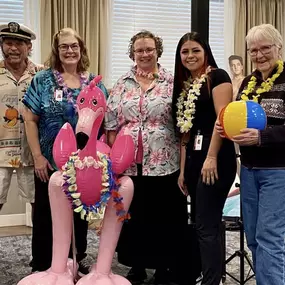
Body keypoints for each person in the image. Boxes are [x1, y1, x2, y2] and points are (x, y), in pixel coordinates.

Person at [22, 27, 108, 275]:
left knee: (80, 213)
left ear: (81, 49)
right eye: (64, 47)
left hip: (84, 163)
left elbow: (104, 122)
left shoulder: (94, 84)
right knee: (47, 214)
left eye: (74, 46)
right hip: (49, 162)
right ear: (56, 51)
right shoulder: (42, 80)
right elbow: (29, 119)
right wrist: (38, 157)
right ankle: (42, 264)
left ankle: (76, 258)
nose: (69, 51)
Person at [105, 30, 187, 284]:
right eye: (139, 50)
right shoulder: (122, 83)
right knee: (134, 216)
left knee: (164, 216)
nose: (144, 54)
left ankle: (164, 265)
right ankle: (137, 264)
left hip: (164, 162)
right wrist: (114, 162)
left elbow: (184, 125)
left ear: (157, 50)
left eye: (149, 49)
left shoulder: (172, 82)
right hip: (129, 165)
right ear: (133, 53)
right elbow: (110, 125)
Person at [216, 24, 285, 285]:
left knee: (270, 237)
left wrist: (262, 137)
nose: (259, 54)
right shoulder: (248, 82)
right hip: (248, 169)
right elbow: (240, 118)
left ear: (278, 47)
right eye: (253, 50)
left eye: (265, 47)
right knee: (254, 236)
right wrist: (225, 127)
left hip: (278, 171)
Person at [172, 32, 236, 285]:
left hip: (216, 154)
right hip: (195, 156)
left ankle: (211, 281)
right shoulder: (187, 83)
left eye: (195, 50)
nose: (190, 56)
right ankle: (210, 274)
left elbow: (224, 120)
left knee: (206, 224)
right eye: (185, 52)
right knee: (202, 222)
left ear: (206, 52)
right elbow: (185, 134)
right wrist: (182, 170)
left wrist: (211, 158)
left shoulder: (218, 77)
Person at [0, 22, 43, 215]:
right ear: (1, 45)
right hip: (0, 152)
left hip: (33, 152)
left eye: (19, 43)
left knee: (39, 206)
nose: (14, 48)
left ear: (29, 47)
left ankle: (41, 245)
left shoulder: (42, 75)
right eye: (8, 43)